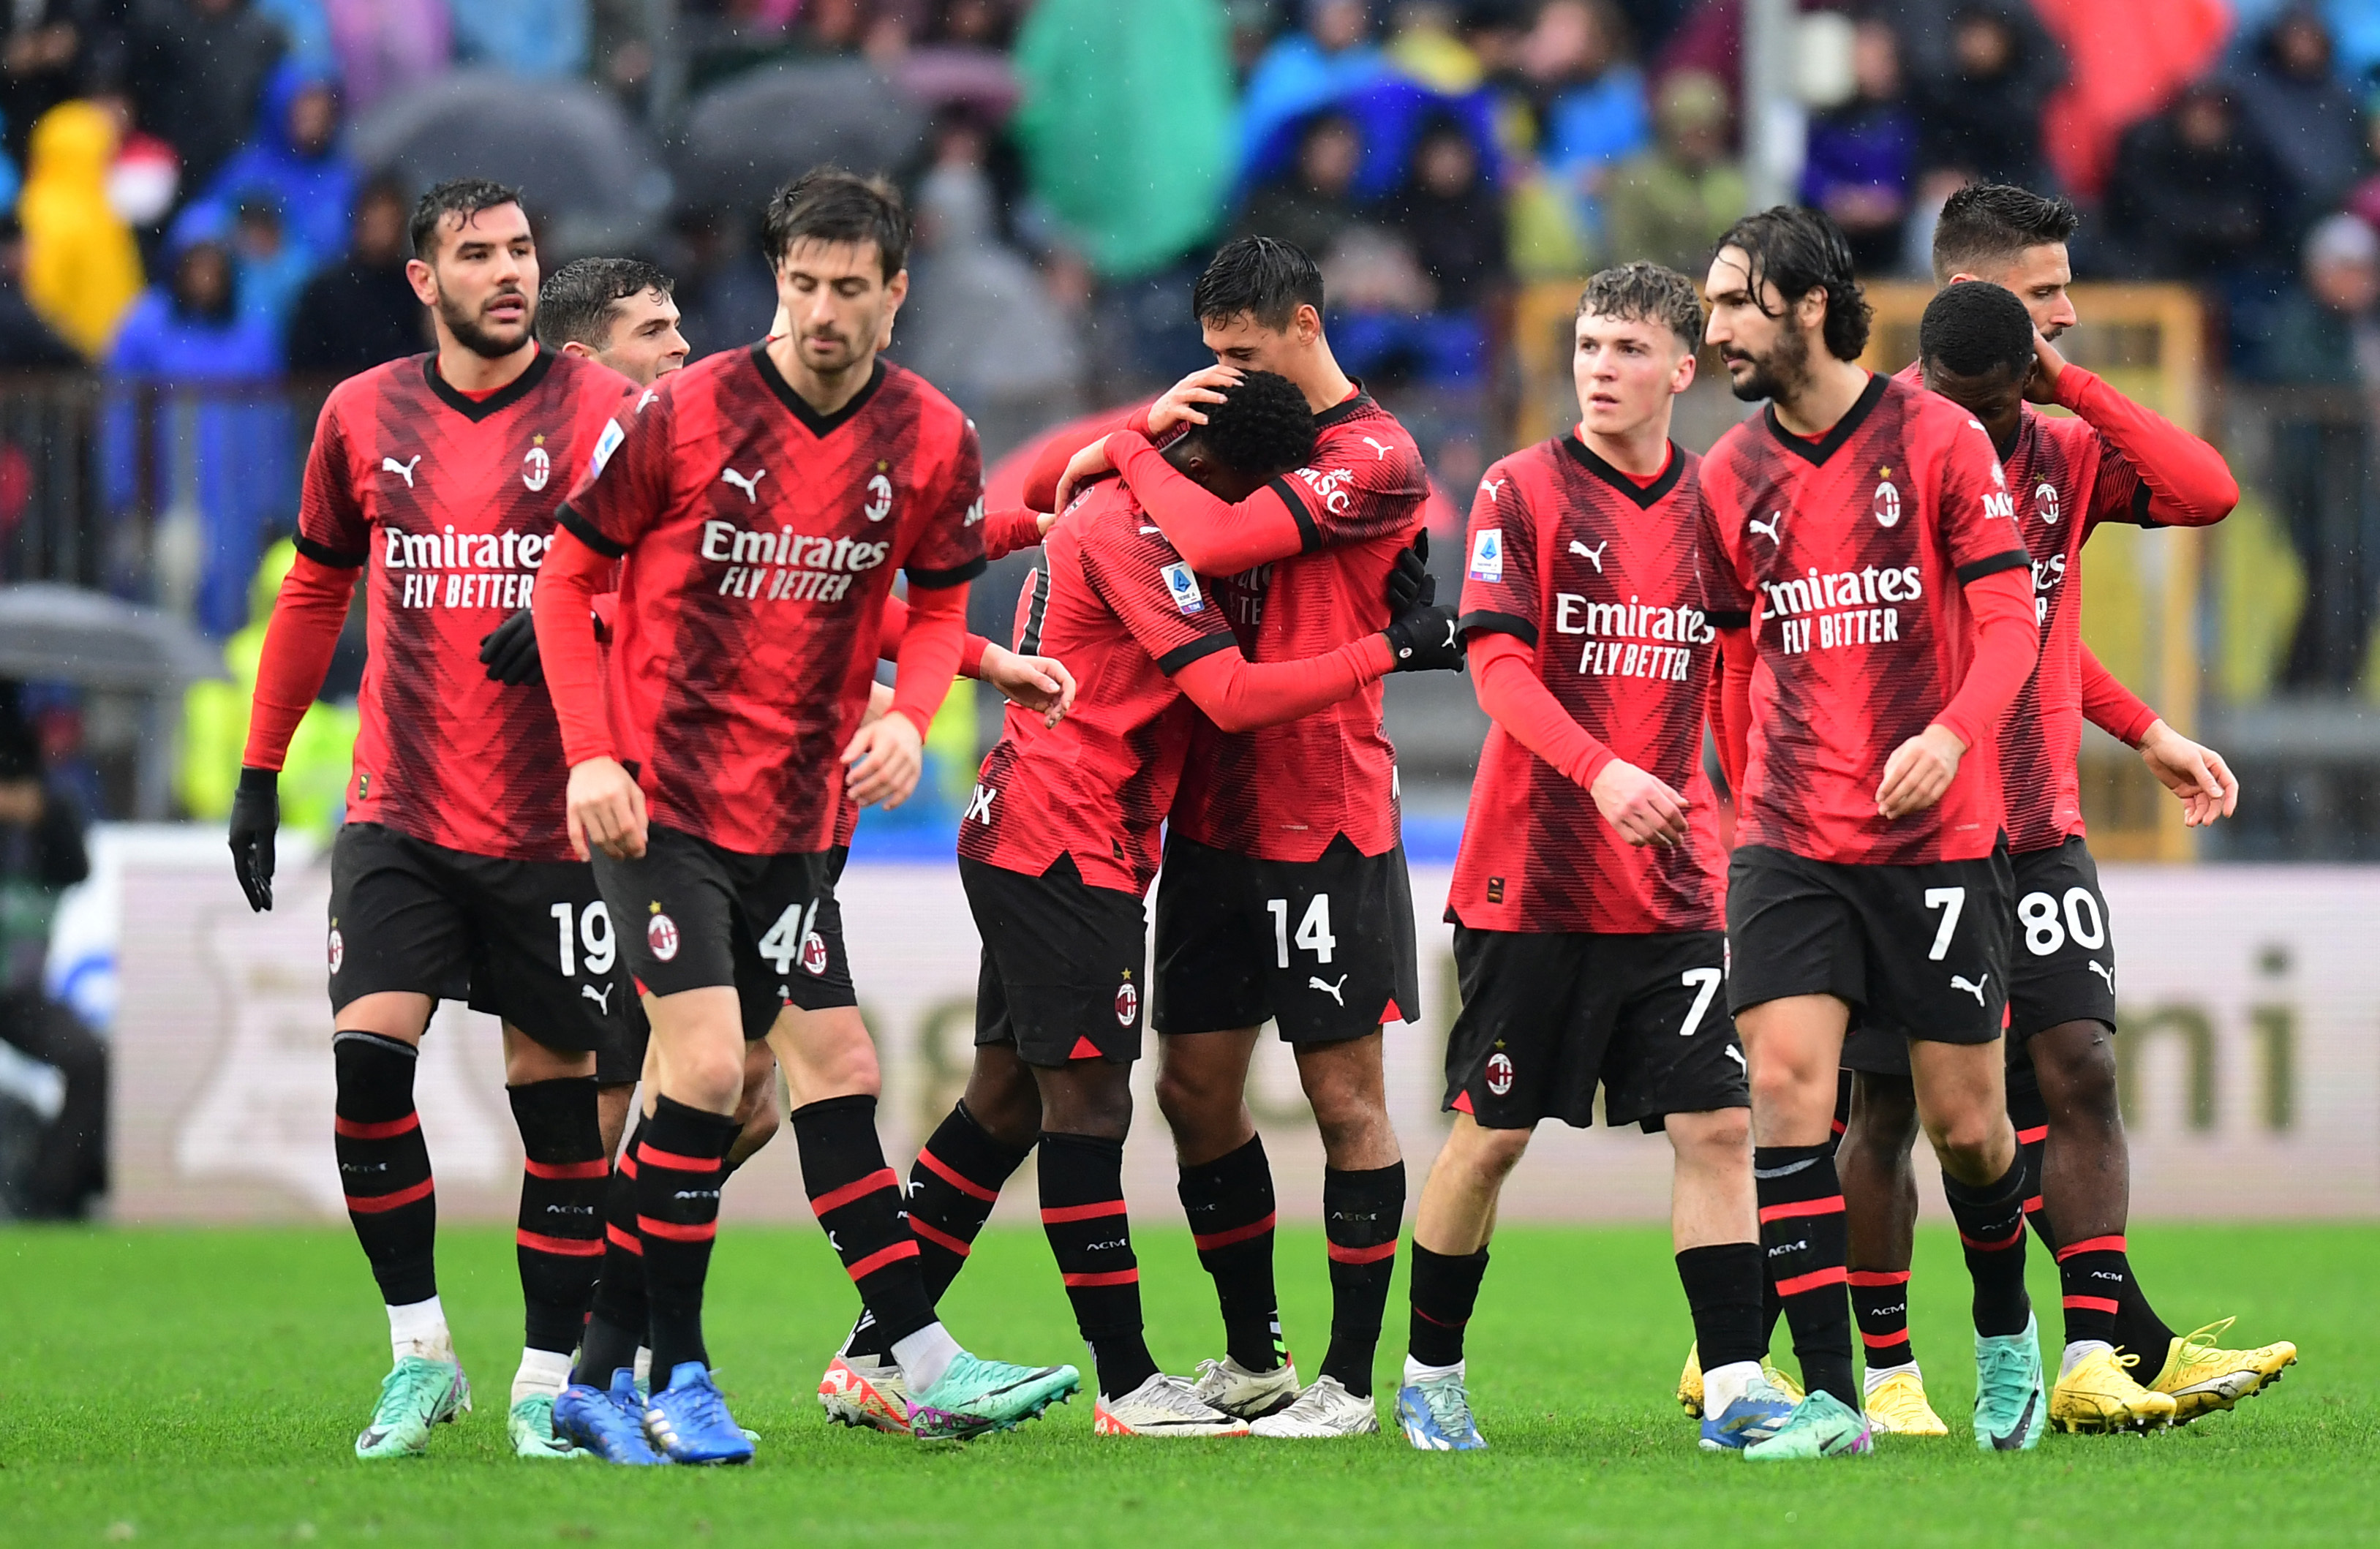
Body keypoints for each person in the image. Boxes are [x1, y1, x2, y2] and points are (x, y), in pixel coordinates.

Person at [532, 168, 1081, 1462]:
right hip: (659, 807)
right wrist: (589, 756)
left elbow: (937, 601)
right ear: (775, 280)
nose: (822, 310)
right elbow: (566, 581)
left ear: (895, 294)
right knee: (715, 1071)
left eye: (849, 287)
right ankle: (688, 1373)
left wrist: (912, 714)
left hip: (797, 824)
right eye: (801, 284)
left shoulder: (929, 436)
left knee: (779, 1084)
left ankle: (597, 1375)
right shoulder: (682, 413)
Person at [845, 369, 1458, 1439]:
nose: (1230, 525)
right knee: (1089, 1109)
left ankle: (878, 1350)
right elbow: (1227, 693)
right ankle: (1127, 1383)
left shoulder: (1112, 506)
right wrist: (1394, 648)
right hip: (1064, 836)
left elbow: (1050, 487)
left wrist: (1127, 438)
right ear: (1209, 467)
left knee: (1005, 1099)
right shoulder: (1134, 530)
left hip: (1056, 830)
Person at [1836, 184, 2297, 1433]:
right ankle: (1830, 1359)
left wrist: (2142, 729)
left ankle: (2100, 1353)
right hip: (1901, 833)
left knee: (2075, 1067)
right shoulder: (1871, 451)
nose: (2067, 316)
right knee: (1888, 1107)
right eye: (2041, 297)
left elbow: (2198, 495)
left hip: (2034, 821)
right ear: (1966, 295)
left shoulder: (2054, 447)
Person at [225, 178, 642, 1463]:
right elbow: (311, 593)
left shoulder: (605, 413)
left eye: (522, 249)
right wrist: (257, 770)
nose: (509, 272)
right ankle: (420, 1351)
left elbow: (673, 583)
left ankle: (536, 1377)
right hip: (400, 802)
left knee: (557, 1106)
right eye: (478, 254)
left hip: (553, 813)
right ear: (425, 280)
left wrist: (588, 611)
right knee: (367, 1062)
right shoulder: (362, 416)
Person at [1050, 235, 1433, 1439]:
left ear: (1303, 327)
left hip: (1322, 812)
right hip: (1211, 811)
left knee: (1339, 1091)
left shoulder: (1374, 455)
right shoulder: (1214, 435)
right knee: (1192, 1086)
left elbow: (1211, 547)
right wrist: (1137, 432)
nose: (1216, 374)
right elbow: (1074, 491)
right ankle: (1253, 1354)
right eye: (1205, 353)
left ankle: (1346, 1379)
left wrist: (1127, 445)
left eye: (1236, 350)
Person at [1394, 263, 1780, 1455]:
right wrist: (1600, 772)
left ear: (1681, 368)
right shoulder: (1519, 490)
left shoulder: (1715, 510)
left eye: (1624, 349)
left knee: (1715, 1127)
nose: (1599, 368)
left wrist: (1744, 806)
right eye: (1586, 346)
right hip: (1531, 876)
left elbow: (1730, 677)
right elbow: (1496, 669)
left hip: (1671, 883)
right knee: (1490, 1136)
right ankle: (1428, 1373)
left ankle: (1731, 1387)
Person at [1697, 206, 2043, 1461]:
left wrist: (1947, 737)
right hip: (1788, 839)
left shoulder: (1937, 437)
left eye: (1734, 300)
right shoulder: (1724, 476)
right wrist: (1743, 805)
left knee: (1965, 1124)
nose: (1715, 325)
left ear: (1803, 301)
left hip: (1933, 838)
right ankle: (1833, 1399)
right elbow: (1732, 658)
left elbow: (2011, 625)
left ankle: (2004, 1331)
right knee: (1788, 1095)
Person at [2256, 212, 2380, 690]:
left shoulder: (2358, 327)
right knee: (2330, 583)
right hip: (2317, 480)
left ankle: (2329, 692)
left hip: (2351, 484)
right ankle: (2307, 695)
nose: (2359, 281)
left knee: (2351, 588)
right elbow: (2302, 377)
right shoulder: (2302, 321)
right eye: (2348, 268)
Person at [0, 686, 106, 1219]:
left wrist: (37, 815)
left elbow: (77, 868)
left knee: (91, 1060)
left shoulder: (46, 813)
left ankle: (49, 1194)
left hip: (18, 990)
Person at [195, 61, 359, 267]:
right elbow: (201, 234)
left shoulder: (348, 178)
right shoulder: (246, 173)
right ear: (281, 108)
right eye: (304, 106)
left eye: (323, 107)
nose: (315, 117)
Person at [19, 99, 141, 359]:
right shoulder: (48, 214)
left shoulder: (96, 209)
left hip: (101, 366)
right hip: (70, 369)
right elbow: (40, 299)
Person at [1798, 18, 1918, 274]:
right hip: (1835, 229)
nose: (1868, 66)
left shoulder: (1911, 114)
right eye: (1862, 57)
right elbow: (1804, 169)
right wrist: (1835, 196)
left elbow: (1915, 169)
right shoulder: (1827, 116)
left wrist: (1892, 198)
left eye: (1877, 58)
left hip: (1893, 236)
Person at [1601, 70, 1747, 276]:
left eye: (1709, 130)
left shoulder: (1733, 182)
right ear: (1671, 128)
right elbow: (1629, 255)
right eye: (1692, 130)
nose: (1701, 140)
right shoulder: (1638, 181)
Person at [287, 176, 423, 377]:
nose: (385, 231)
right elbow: (305, 370)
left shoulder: (418, 287)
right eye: (377, 221)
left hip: (404, 403)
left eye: (391, 220)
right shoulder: (325, 291)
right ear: (358, 221)